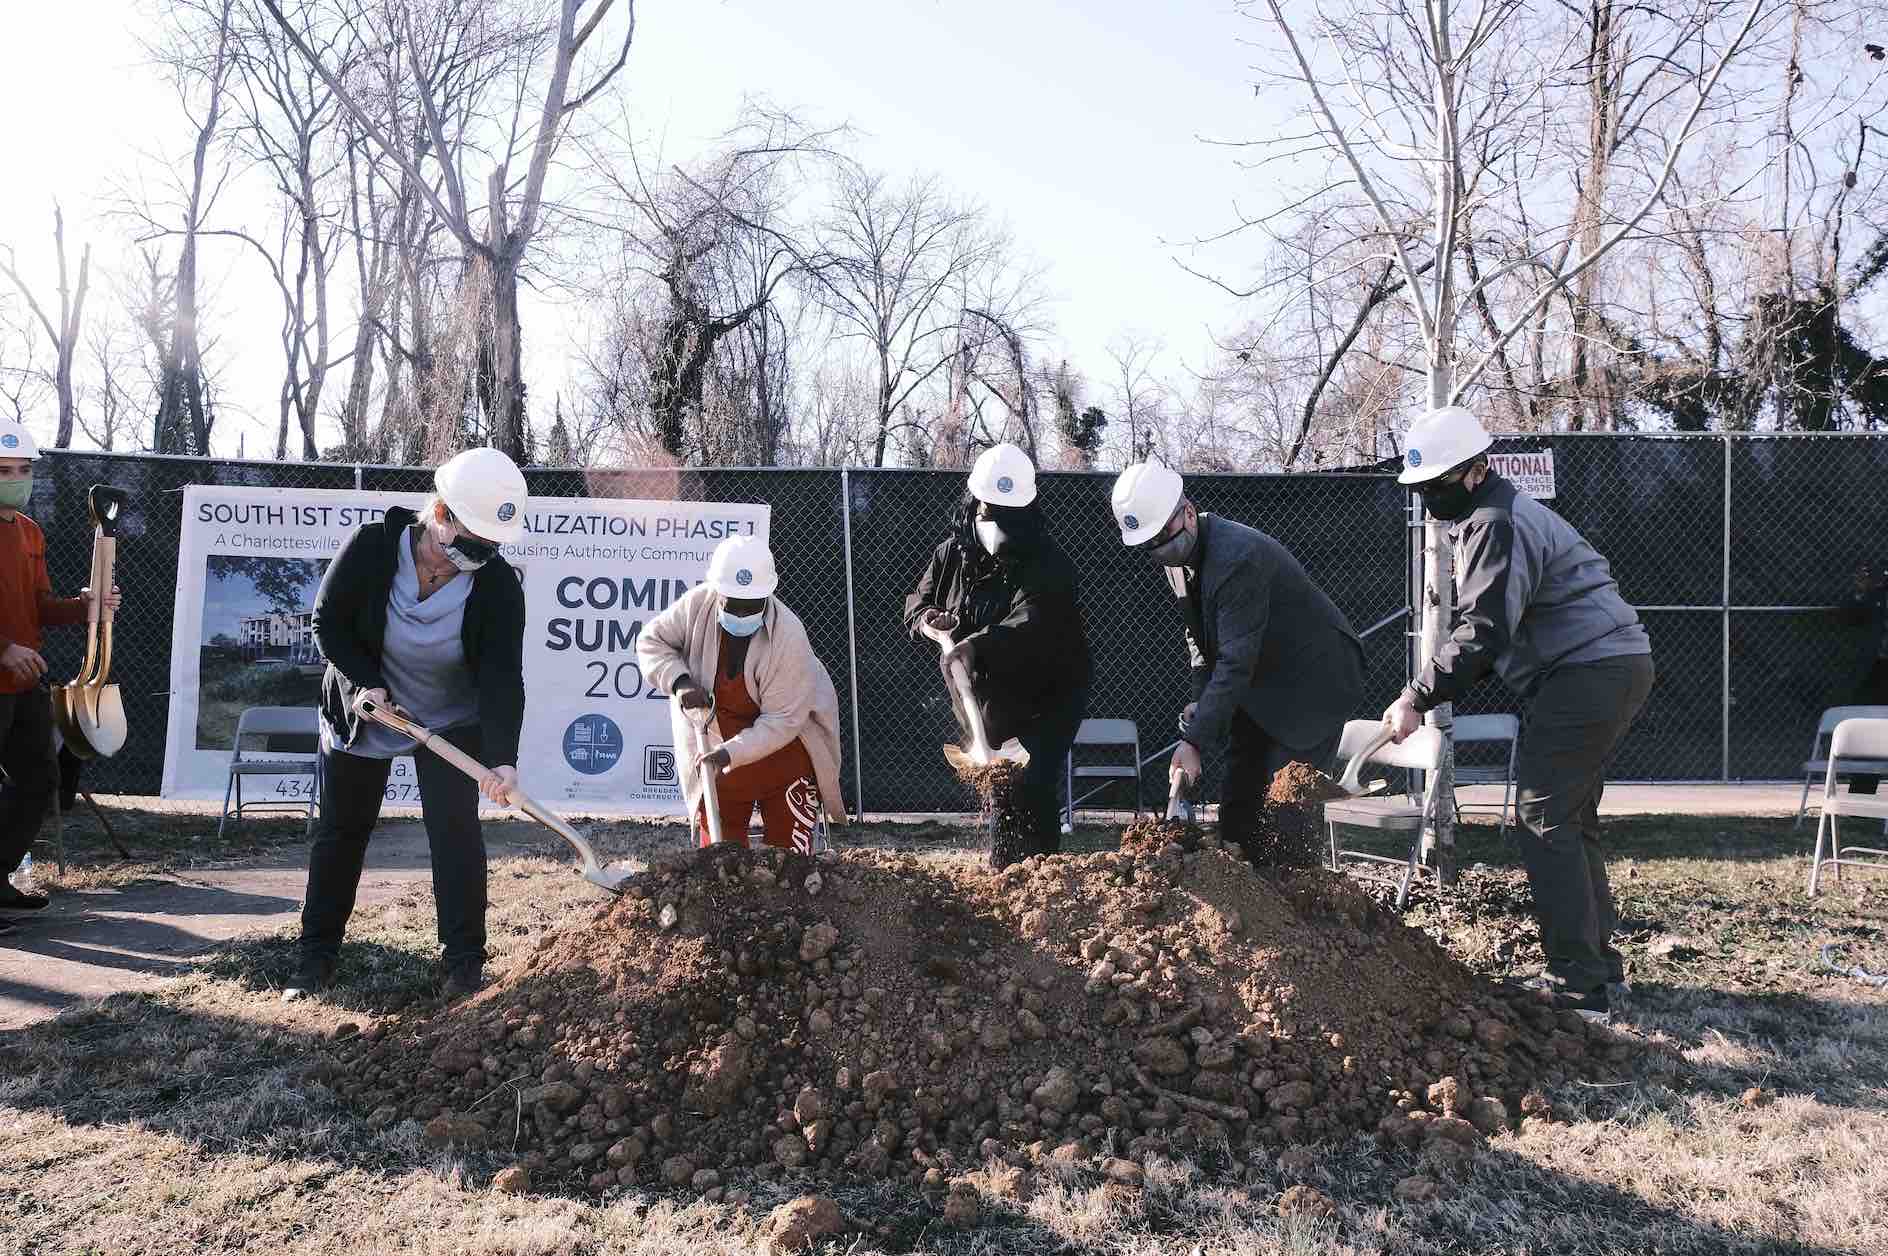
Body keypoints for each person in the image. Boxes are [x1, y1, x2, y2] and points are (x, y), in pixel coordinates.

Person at [1383, 406, 1653, 1020]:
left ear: (1476, 471)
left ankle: (1579, 989)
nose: (1428, 500)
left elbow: (1481, 631)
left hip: (1589, 671)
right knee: (1569, 817)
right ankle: (1598, 974)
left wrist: (1415, 697)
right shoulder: (1493, 513)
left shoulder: (1494, 521)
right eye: (1419, 490)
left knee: (1542, 817)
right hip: (1607, 667)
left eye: (1435, 486)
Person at [285, 447, 528, 1000]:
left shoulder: (496, 584)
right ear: (440, 516)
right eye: (473, 543)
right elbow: (328, 624)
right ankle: (315, 957)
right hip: (367, 709)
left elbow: (501, 678)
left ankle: (464, 964)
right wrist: (366, 685)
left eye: (491, 547)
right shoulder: (372, 547)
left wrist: (502, 760)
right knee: (341, 833)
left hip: (447, 721)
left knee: (455, 833)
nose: (480, 556)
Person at [1110, 459, 1364, 863]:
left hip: (1312, 680)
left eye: (1163, 536)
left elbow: (1234, 662)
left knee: (1286, 805)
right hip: (1261, 683)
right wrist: (1200, 702)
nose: (1158, 549)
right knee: (1240, 803)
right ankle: (1245, 904)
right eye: (1149, 545)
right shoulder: (1178, 559)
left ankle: (1300, 907)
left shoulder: (1235, 558)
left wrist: (1193, 741)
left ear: (1188, 513)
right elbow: (1198, 640)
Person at [904, 443, 1090, 867]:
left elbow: (1035, 621)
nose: (995, 525)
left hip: (1048, 695)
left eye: (1007, 517)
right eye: (989, 512)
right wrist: (927, 618)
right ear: (974, 504)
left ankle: (1039, 877)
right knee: (1000, 786)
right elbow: (917, 601)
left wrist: (976, 644)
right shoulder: (951, 553)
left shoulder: (1047, 562)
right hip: (987, 694)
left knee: (1032, 784)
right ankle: (1004, 874)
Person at [638, 534, 848, 851]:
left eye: (750, 607)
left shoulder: (789, 635)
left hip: (784, 753)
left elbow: (783, 720)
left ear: (767, 597)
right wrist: (680, 682)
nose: (739, 615)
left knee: (788, 862)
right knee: (719, 862)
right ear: (716, 592)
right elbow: (652, 642)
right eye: (731, 604)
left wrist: (730, 754)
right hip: (716, 747)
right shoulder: (696, 605)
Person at [0, 419, 120, 935]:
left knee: (39, 780)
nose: (17, 478)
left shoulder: (30, 532)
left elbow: (39, 607)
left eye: (24, 469)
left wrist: (84, 607)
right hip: (8, 666)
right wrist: (3, 648)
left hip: (24, 683)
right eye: (5, 470)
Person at [1840, 559, 1888, 793]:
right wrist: (1861, 591)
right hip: (1877, 670)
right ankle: (1862, 793)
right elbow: (1849, 615)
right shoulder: (1875, 598)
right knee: (1869, 726)